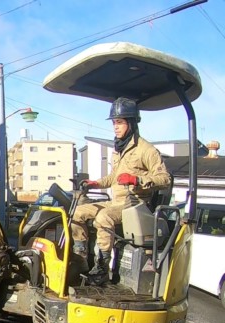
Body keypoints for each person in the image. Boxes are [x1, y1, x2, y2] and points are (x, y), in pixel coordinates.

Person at [71, 97, 170, 284]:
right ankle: (81, 257)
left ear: (131, 123)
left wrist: (137, 180)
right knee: (76, 212)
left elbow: (165, 179)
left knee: (104, 217)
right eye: (114, 123)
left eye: (120, 123)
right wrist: (94, 183)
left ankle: (102, 267)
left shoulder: (146, 150)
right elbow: (112, 178)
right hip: (116, 202)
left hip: (135, 205)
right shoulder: (118, 149)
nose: (115, 127)